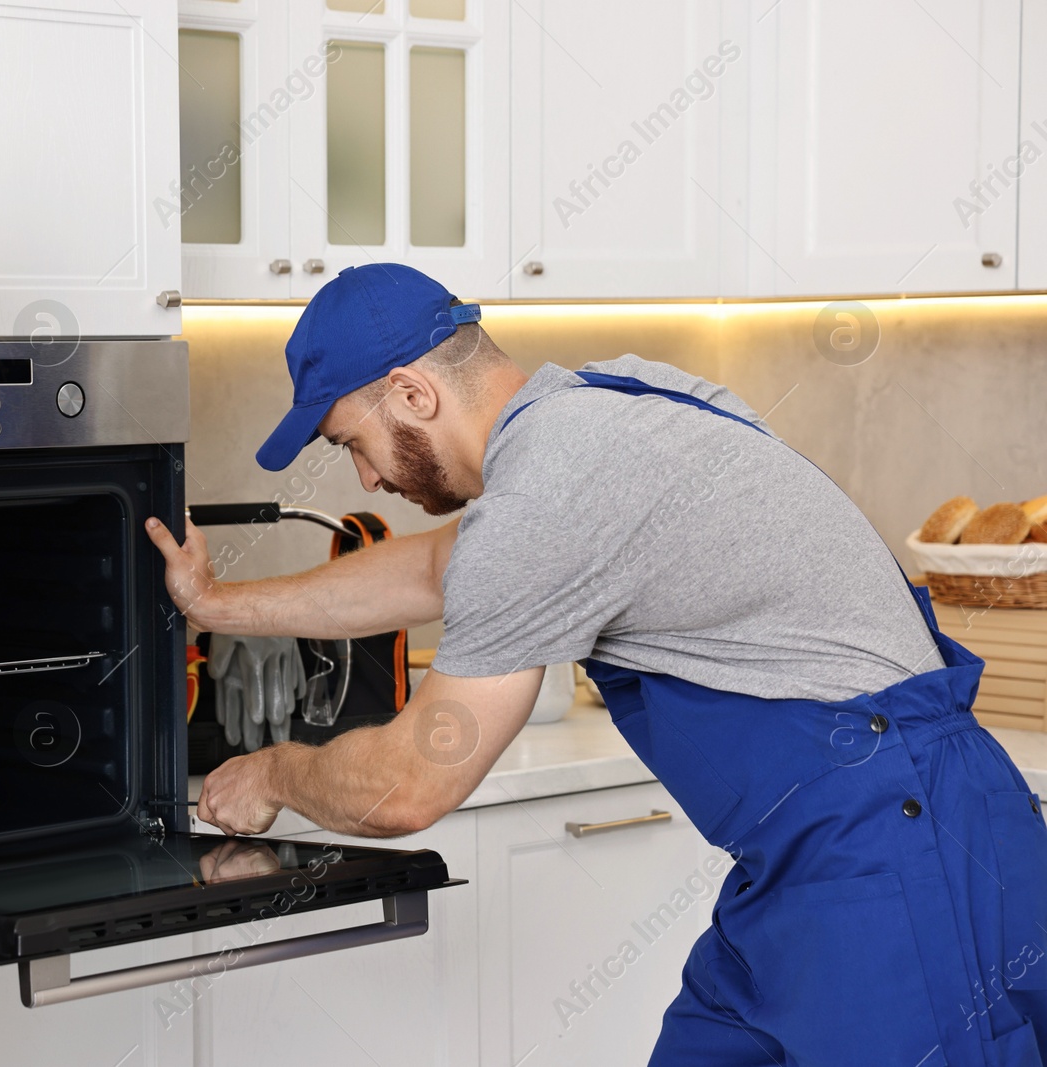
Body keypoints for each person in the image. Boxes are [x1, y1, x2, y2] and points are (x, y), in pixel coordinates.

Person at [145, 262, 1047, 1066]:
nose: (367, 481)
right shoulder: (606, 404)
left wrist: (275, 772)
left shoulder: (549, 490)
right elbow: (434, 568)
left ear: (413, 394)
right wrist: (222, 606)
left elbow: (407, 787)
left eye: (350, 443)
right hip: (817, 859)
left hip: (903, 844)